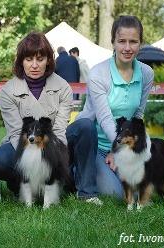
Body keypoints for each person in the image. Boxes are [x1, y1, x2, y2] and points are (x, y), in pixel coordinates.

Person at [66, 15, 154, 205]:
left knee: (139, 192)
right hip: (92, 144)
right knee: (115, 193)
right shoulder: (98, 73)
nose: (127, 47)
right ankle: (76, 170)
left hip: (122, 144)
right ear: (113, 41)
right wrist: (117, 149)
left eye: (133, 41)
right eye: (122, 41)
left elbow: (138, 116)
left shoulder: (147, 73)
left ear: (141, 43)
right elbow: (105, 118)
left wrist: (127, 152)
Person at [0, 32, 73, 195]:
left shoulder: (64, 88)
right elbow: (15, 133)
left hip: (52, 146)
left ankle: (58, 181)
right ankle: (20, 183)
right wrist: (33, 160)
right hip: (23, 145)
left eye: (40, 59)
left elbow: (59, 131)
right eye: (29, 59)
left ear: (49, 60)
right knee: (0, 161)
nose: (34, 65)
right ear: (21, 61)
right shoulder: (8, 91)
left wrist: (50, 160)